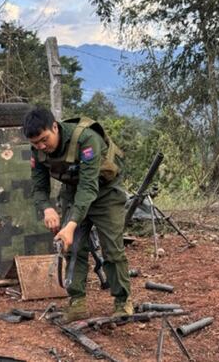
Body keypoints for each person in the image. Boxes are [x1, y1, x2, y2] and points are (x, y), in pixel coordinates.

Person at [23, 107, 132, 321]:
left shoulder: (86, 139)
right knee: (72, 249)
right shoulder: (37, 150)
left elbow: (89, 187)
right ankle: (77, 303)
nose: (42, 146)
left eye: (45, 139)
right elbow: (39, 187)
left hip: (105, 193)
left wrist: (70, 225)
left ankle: (122, 302)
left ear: (55, 126)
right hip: (73, 193)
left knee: (112, 249)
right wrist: (47, 207)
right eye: (36, 143)